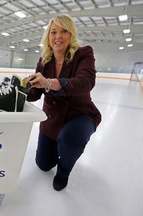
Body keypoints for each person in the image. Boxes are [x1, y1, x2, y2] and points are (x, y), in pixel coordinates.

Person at [27, 14, 102, 191]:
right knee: (43, 164)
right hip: (53, 117)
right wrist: (24, 89)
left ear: (71, 34)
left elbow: (85, 82)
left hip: (80, 113)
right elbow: (36, 93)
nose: (58, 36)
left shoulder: (84, 54)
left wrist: (50, 83)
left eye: (63, 31)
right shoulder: (44, 61)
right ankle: (61, 147)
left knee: (70, 138)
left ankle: (64, 171)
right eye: (53, 32)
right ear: (48, 37)